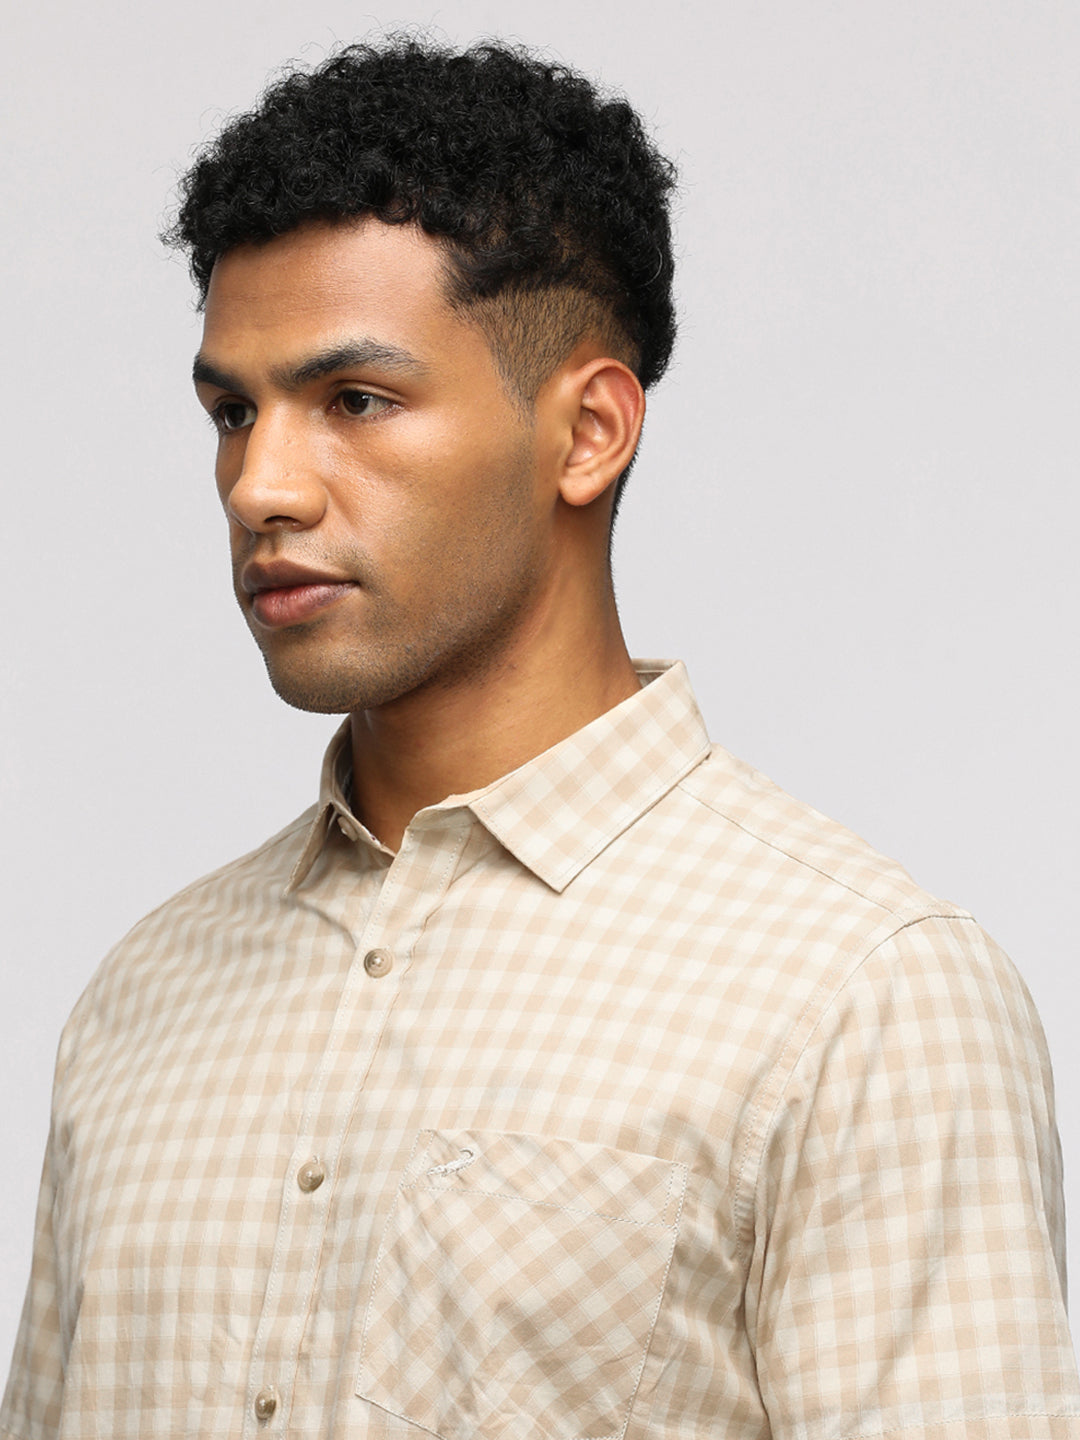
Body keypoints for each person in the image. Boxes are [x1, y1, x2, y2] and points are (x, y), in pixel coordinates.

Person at [3, 34, 1077, 1440]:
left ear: (587, 434)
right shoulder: (142, 996)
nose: (260, 485)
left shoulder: (859, 998)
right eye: (232, 412)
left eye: (355, 402)